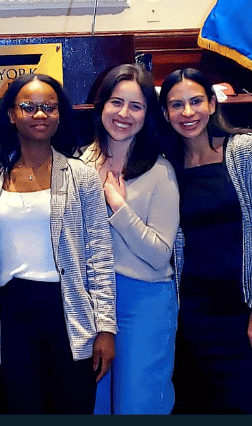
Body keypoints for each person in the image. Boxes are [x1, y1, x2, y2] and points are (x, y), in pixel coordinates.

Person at [0, 73, 117, 415]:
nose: (40, 114)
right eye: (28, 107)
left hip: (68, 314)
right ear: (11, 114)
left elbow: (99, 255)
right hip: (10, 317)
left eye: (49, 107)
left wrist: (106, 329)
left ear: (60, 115)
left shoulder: (81, 176)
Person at [159, 68, 252, 414]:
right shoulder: (169, 163)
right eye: (177, 105)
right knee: (207, 404)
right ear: (165, 113)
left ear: (212, 104)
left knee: (247, 403)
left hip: (247, 308)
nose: (188, 113)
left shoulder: (244, 148)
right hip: (197, 311)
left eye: (196, 101)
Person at [80, 63, 180, 414]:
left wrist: (119, 206)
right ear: (101, 105)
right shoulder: (78, 164)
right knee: (95, 407)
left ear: (147, 114)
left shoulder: (160, 171)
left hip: (144, 301)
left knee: (136, 406)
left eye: (135, 106)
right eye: (116, 102)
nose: (124, 114)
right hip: (90, 302)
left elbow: (159, 254)